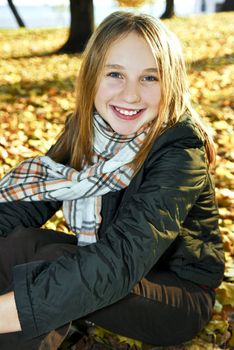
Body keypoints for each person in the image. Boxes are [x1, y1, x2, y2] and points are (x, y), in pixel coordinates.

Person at [0, 11, 225, 350]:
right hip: (115, 269)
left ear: (172, 84)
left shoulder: (180, 150)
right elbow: (24, 207)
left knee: (54, 264)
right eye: (115, 74)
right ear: (92, 77)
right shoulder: (85, 130)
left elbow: (121, 260)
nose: (130, 95)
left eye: (150, 78)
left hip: (177, 297)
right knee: (21, 244)